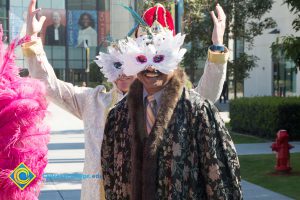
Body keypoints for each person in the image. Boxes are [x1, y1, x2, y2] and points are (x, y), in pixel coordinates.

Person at [24, 0, 228, 199]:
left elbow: (205, 97)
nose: (123, 74)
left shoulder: (169, 101)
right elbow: (49, 86)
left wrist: (217, 48)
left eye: (129, 66)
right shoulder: (93, 101)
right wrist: (33, 39)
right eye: (117, 66)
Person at [101, 3, 242, 200]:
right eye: (143, 58)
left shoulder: (197, 111)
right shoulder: (118, 116)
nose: (151, 68)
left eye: (159, 57)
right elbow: (111, 179)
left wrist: (217, 45)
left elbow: (220, 182)